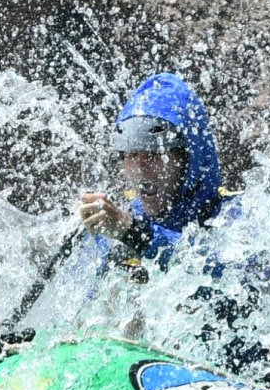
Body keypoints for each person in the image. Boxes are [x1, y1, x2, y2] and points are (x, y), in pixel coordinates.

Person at [75, 72, 228, 273]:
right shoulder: (112, 227)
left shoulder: (236, 217)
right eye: (132, 154)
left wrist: (134, 234)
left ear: (189, 159)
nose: (139, 167)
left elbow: (224, 274)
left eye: (154, 154)